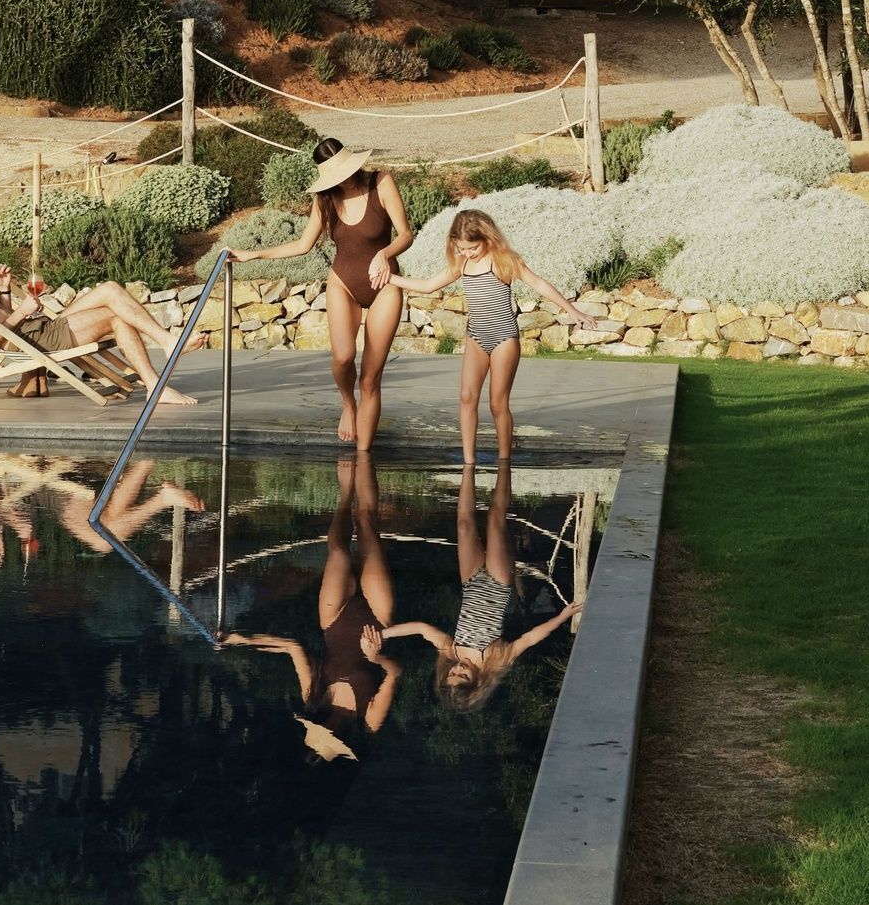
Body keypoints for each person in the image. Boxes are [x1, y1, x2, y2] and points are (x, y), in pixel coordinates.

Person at [225, 140, 413, 448]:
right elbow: (303, 245)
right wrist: (252, 255)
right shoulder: (325, 199)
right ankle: (348, 404)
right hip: (343, 284)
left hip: (385, 283)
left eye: (346, 171)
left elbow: (406, 234)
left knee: (370, 379)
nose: (344, 179)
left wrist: (385, 253)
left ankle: (363, 458)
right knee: (343, 357)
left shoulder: (380, 182)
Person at [223, 452, 400, 761]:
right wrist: (378, 658)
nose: (327, 727)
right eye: (329, 733)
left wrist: (241, 640)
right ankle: (367, 462)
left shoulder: (313, 698)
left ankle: (345, 496)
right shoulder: (369, 720)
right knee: (367, 527)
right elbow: (396, 673)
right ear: (339, 738)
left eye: (321, 729)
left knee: (339, 553)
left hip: (335, 620)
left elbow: (293, 648)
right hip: (377, 621)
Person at [386, 208, 595, 466]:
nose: (467, 253)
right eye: (461, 248)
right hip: (476, 336)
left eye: (472, 248)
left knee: (497, 403)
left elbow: (539, 284)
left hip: (504, 338)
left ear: (487, 238)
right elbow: (428, 285)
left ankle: (504, 460)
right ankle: (468, 462)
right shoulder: (461, 263)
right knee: (466, 397)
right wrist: (389, 278)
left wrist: (572, 310)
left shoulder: (503, 260)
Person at [387, 461, 584, 711]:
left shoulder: (451, 653)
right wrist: (562, 617)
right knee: (495, 518)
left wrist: (382, 635)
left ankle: (468, 462)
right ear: (478, 682)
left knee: (464, 524)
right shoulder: (495, 661)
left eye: (453, 673)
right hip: (498, 583)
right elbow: (530, 638)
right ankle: (504, 457)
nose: (459, 669)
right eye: (464, 675)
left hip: (470, 582)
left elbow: (420, 628)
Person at [0, 221, 194, 404]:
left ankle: (164, 351)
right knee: (115, 318)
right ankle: (157, 381)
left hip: (38, 329)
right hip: (32, 341)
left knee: (110, 288)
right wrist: (22, 313)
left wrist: (4, 290)